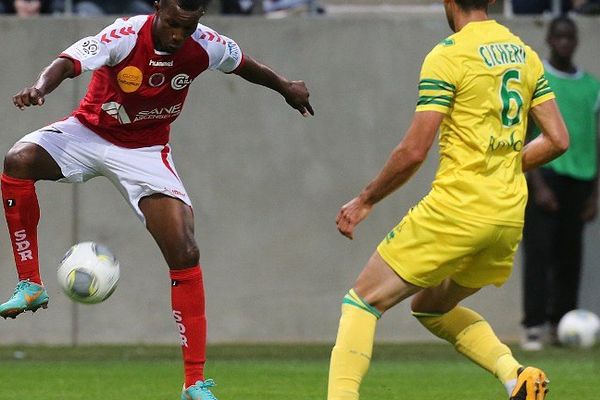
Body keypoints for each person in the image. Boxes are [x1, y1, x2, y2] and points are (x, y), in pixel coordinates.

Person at [0, 0, 313, 399]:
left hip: (145, 153)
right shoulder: (124, 35)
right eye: (171, 24)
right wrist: (39, 89)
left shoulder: (205, 44)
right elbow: (68, 61)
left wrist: (285, 87)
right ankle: (30, 283)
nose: (178, 35)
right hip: (88, 134)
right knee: (18, 160)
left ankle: (194, 384)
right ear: (157, 6)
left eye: (188, 26)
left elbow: (244, 64)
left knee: (184, 250)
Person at [327, 1, 569, 399]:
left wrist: (365, 199)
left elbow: (413, 151)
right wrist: (503, 166)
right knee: (431, 308)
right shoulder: (524, 54)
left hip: (457, 210)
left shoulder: (448, 55)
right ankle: (516, 376)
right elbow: (559, 139)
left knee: (362, 302)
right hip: (507, 218)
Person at [521, 16, 600, 351]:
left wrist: (595, 193)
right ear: (550, 40)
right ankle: (534, 326)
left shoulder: (592, 86)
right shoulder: (538, 78)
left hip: (580, 179)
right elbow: (525, 135)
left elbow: (596, 139)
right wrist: (537, 185)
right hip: (545, 175)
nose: (565, 42)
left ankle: (561, 324)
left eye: (571, 37)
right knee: (538, 255)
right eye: (559, 37)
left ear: (576, 41)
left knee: (571, 256)